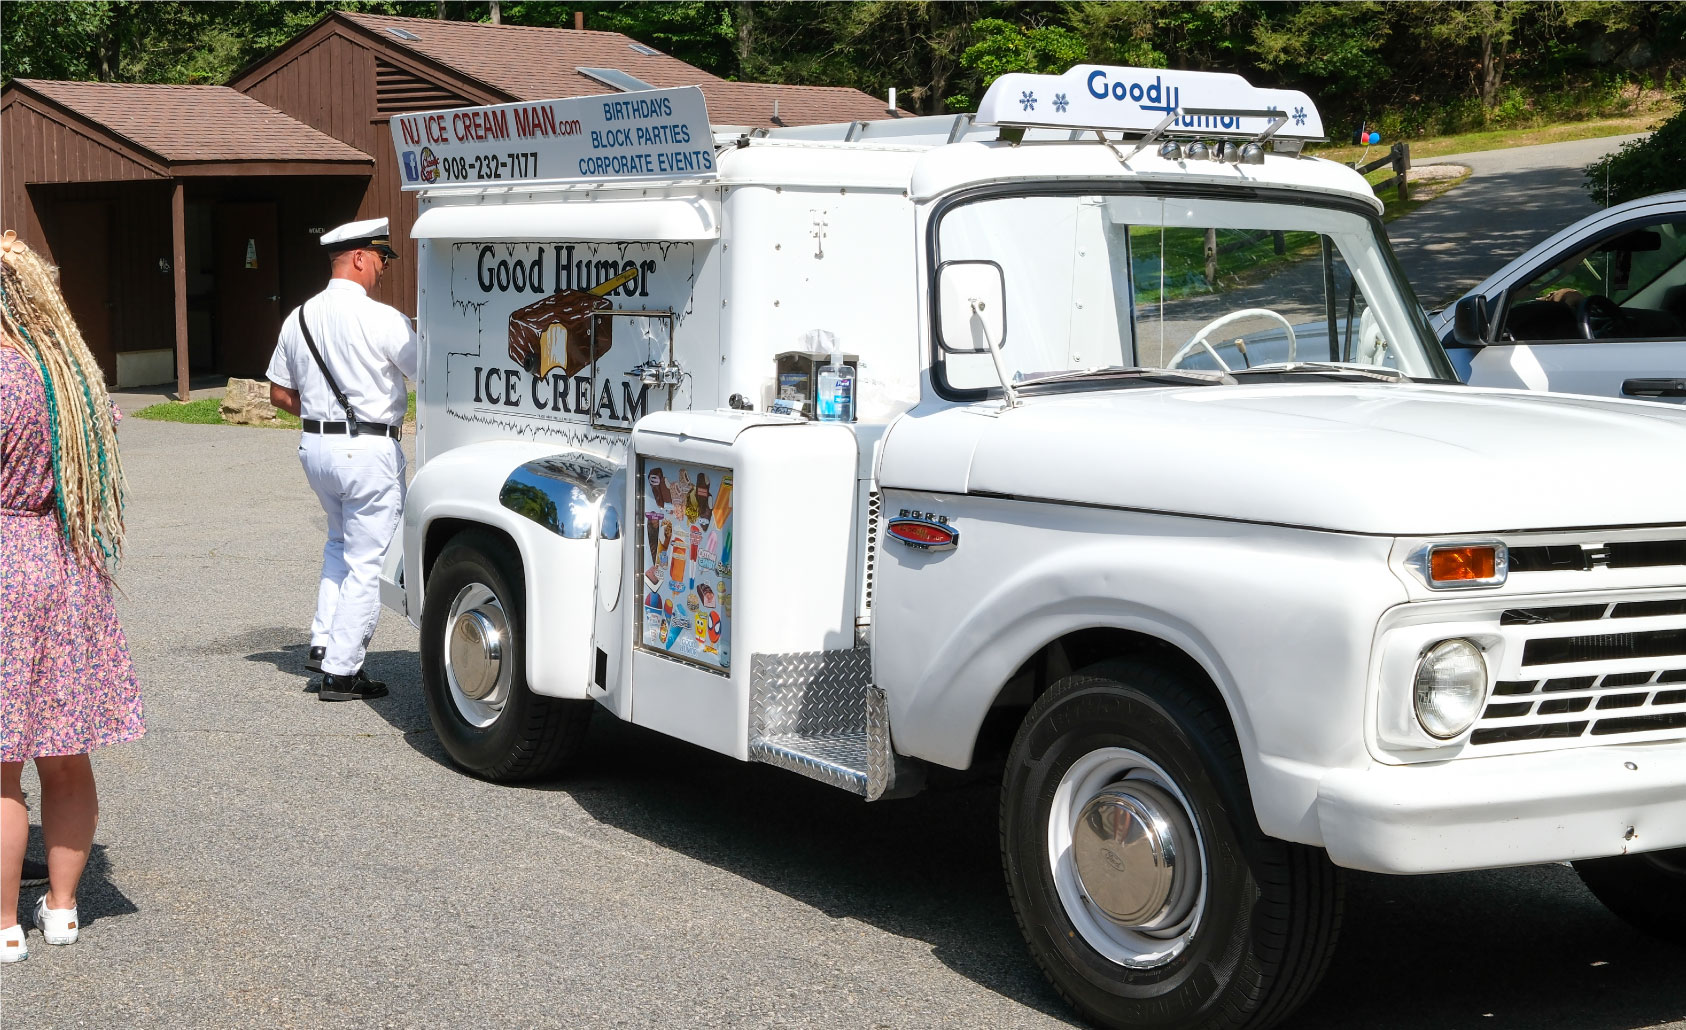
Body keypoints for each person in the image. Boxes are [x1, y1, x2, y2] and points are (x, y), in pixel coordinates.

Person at [1, 229, 145, 963]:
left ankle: (2, 926)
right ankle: (61, 909)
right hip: (65, 566)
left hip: (1, 566)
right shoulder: (73, 378)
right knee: (63, 752)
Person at [267, 217, 416, 702]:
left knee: (339, 544)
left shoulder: (299, 317)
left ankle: (323, 639)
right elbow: (429, 372)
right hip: (367, 448)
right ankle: (342, 671)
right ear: (357, 257)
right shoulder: (383, 319)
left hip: (317, 448)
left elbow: (277, 393)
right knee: (366, 561)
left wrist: (324, 416)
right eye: (379, 258)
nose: (381, 269)